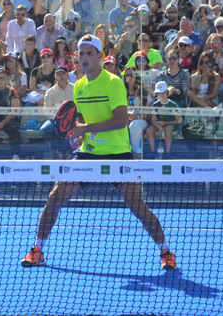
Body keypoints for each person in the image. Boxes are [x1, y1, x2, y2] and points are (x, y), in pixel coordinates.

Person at [20, 35, 177, 271]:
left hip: (119, 153)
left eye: (89, 53)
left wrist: (86, 128)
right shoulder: (80, 86)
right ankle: (37, 250)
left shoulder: (113, 82)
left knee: (137, 207)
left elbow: (121, 120)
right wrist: (77, 133)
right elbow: (82, 118)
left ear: (100, 56)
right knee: (55, 196)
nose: (84, 57)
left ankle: (165, 252)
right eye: (80, 53)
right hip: (88, 153)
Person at [145, 81, 181, 157]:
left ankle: (167, 153)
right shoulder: (155, 104)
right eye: (158, 93)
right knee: (150, 129)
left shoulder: (173, 105)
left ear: (167, 92)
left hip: (169, 124)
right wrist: (159, 127)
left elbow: (177, 120)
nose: (160, 95)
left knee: (168, 129)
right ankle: (153, 152)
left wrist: (165, 123)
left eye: (162, 93)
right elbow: (153, 119)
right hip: (158, 125)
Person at [39, 65, 74, 143]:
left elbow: (79, 107)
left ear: (68, 75)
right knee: (44, 130)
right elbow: (46, 110)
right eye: (58, 74)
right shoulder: (50, 92)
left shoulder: (75, 89)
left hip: (72, 120)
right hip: (55, 120)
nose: (61, 76)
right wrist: (58, 119)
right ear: (55, 76)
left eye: (63, 73)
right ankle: (55, 148)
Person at [123, 66, 149, 158]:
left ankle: (134, 154)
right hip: (124, 119)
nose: (130, 77)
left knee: (134, 125)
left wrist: (136, 117)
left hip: (140, 120)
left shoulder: (143, 91)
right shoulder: (120, 90)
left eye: (132, 75)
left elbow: (146, 112)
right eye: (127, 75)